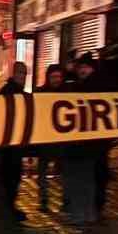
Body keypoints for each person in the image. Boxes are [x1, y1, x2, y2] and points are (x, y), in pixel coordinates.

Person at [60, 54, 103, 225]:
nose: (82, 70)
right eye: (80, 67)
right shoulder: (78, 85)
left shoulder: (91, 86)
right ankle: (86, 213)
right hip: (81, 144)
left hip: (84, 144)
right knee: (83, 179)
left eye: (86, 67)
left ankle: (81, 214)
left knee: (80, 179)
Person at [94, 40, 118, 215]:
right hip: (103, 128)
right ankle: (98, 202)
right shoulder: (110, 76)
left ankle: (97, 202)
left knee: (99, 165)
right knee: (99, 165)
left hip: (102, 128)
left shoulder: (104, 75)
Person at [0, 61, 30, 219]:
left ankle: (9, 207)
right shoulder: (9, 91)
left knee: (13, 177)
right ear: (14, 74)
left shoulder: (18, 91)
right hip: (9, 145)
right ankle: (8, 209)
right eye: (20, 73)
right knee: (10, 177)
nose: (22, 77)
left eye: (24, 74)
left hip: (15, 143)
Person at [35, 64, 65, 210]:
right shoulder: (41, 93)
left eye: (59, 77)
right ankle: (44, 200)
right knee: (42, 173)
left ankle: (66, 201)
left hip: (61, 141)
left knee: (64, 173)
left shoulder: (67, 93)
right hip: (45, 141)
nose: (56, 80)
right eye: (54, 77)